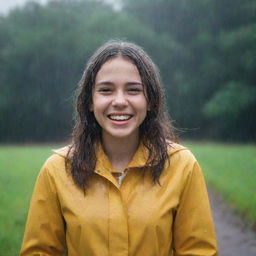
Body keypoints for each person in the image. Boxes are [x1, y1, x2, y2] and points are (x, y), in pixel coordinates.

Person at [20, 40, 218, 256]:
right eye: (106, 90)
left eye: (133, 90)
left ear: (150, 100)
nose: (120, 101)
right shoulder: (57, 170)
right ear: (90, 101)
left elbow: (198, 252)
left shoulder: (182, 166)